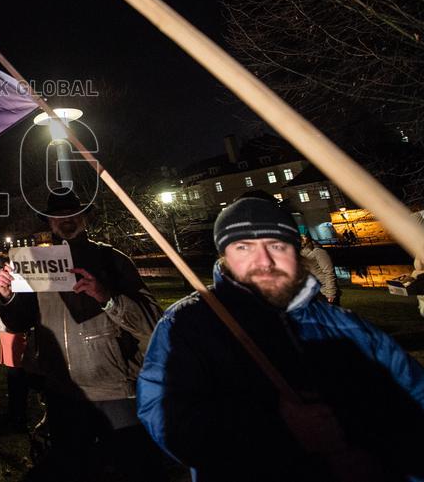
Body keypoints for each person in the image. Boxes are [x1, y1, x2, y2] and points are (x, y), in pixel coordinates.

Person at [137, 196, 424, 482]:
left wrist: (383, 458)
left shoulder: (346, 325)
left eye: (276, 245)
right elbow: (164, 417)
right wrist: (275, 431)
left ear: (296, 252)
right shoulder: (188, 324)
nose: (264, 260)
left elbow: (414, 398)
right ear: (224, 257)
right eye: (243, 247)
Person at [0, 191, 166, 482]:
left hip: (115, 393)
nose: (66, 221)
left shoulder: (111, 259)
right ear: (49, 223)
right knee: (74, 470)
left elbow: (151, 321)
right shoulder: (36, 263)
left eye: (73, 213)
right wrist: (8, 296)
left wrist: (107, 297)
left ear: (85, 217)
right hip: (64, 395)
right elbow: (18, 323)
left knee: (131, 470)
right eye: (57, 216)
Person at [0, 254, 28, 431]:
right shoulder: (6, 280)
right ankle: (17, 412)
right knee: (15, 373)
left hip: (8, 330)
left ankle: (17, 412)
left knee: (15, 373)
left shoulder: (0, 279)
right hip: (9, 330)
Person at [300, 235, 340, 305]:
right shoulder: (300, 253)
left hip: (324, 293)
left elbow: (329, 272)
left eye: (304, 237)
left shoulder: (318, 251)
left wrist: (331, 293)